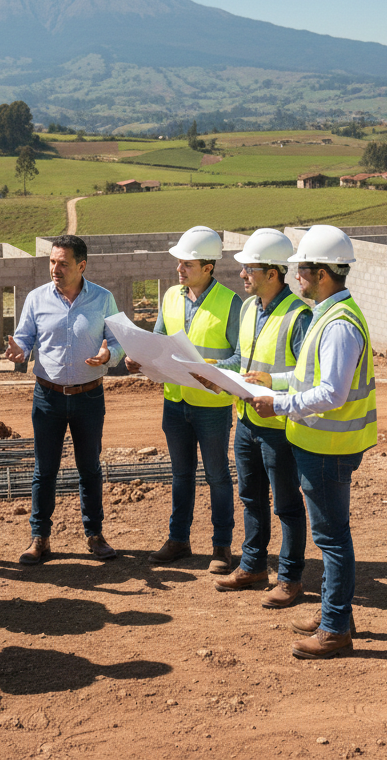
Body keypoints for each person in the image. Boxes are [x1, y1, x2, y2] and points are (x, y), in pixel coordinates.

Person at [249, 225, 377, 660]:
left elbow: (331, 394)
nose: (296, 275)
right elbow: (311, 376)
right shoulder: (328, 314)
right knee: (331, 537)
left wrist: (279, 404)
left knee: (332, 539)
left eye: (301, 268)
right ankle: (335, 614)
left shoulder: (338, 324)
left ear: (322, 273)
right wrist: (273, 380)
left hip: (328, 448)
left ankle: (335, 629)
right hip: (320, 444)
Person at [125, 225, 241, 573]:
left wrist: (210, 368)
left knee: (217, 476)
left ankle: (222, 547)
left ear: (208, 267)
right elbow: (158, 341)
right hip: (175, 402)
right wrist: (139, 358)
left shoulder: (231, 303)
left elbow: (241, 358)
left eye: (187, 264)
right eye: (179, 262)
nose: (179, 268)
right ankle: (178, 540)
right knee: (180, 475)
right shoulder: (171, 297)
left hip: (212, 407)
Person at [6, 234, 124, 565]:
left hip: (89, 397)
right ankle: (39, 538)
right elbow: (25, 338)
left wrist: (109, 355)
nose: (55, 269)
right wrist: (19, 350)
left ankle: (94, 535)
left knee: (90, 468)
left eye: (63, 264)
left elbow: (118, 341)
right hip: (48, 397)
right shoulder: (36, 298)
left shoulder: (103, 299)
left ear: (81, 266)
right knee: (45, 470)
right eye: (51, 262)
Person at [211, 229, 311, 607]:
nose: (242, 275)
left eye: (249, 269)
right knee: (251, 498)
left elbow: (307, 377)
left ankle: (290, 578)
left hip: (280, 428)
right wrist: (216, 369)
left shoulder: (299, 316)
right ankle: (253, 566)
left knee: (286, 505)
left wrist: (274, 388)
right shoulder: (248, 308)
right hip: (246, 421)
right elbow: (243, 360)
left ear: (272, 273)